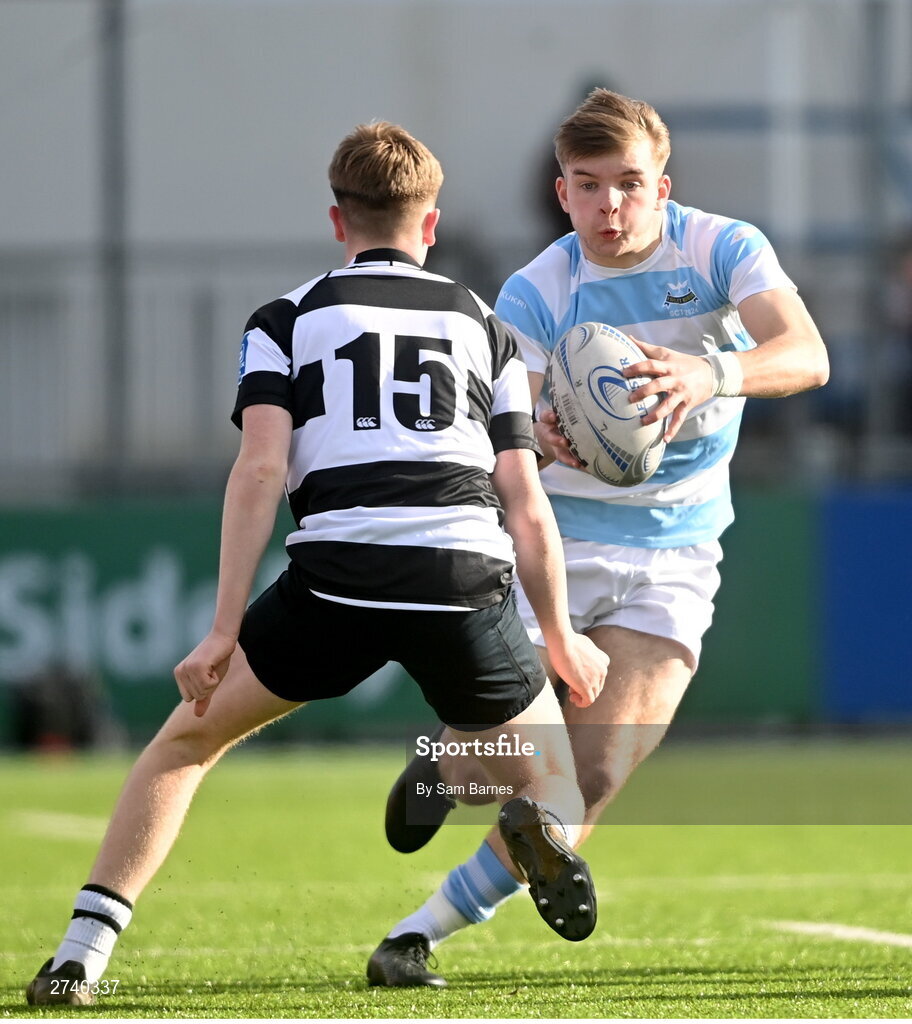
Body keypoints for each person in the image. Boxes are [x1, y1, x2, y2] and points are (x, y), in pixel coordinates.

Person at [25, 121, 609, 1006]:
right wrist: (560, 635)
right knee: (558, 784)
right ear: (432, 224)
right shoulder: (487, 330)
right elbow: (525, 502)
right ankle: (495, 796)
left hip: (336, 575)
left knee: (184, 744)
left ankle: (79, 955)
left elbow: (260, 470)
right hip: (461, 575)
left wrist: (224, 628)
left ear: (339, 223)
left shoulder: (285, 319)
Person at [376, 88, 830, 985]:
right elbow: (508, 436)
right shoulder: (536, 289)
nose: (612, 206)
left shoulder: (720, 247)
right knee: (504, 768)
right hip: (565, 546)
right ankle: (441, 767)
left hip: (680, 549)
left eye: (630, 184)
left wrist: (711, 373)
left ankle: (416, 935)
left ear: (666, 185)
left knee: (598, 770)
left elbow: (807, 354)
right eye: (590, 187)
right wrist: (541, 437)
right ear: (562, 192)